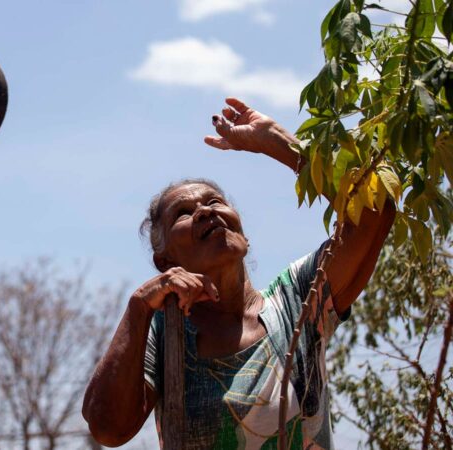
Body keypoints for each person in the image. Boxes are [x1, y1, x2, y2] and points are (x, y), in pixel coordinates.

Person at [81, 98, 395, 449]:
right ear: (164, 262)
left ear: (242, 233)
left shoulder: (297, 299)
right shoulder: (164, 330)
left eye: (214, 201)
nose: (204, 211)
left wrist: (276, 141)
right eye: (183, 213)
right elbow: (108, 428)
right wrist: (139, 306)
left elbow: (373, 213)